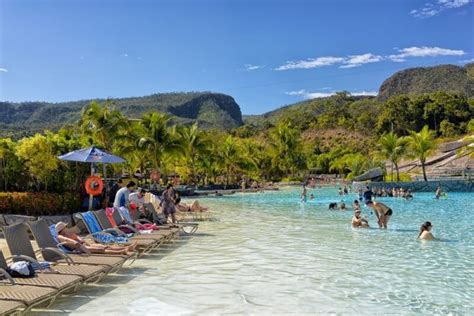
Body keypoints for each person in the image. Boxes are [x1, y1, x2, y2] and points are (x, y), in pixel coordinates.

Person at [55, 222, 135, 255]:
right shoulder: (61, 236)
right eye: (65, 227)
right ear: (62, 229)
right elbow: (67, 241)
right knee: (101, 249)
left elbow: (78, 237)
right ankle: (122, 251)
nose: (67, 227)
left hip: (83, 245)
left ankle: (126, 248)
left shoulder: (67, 233)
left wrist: (80, 239)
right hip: (79, 249)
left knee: (104, 246)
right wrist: (76, 242)